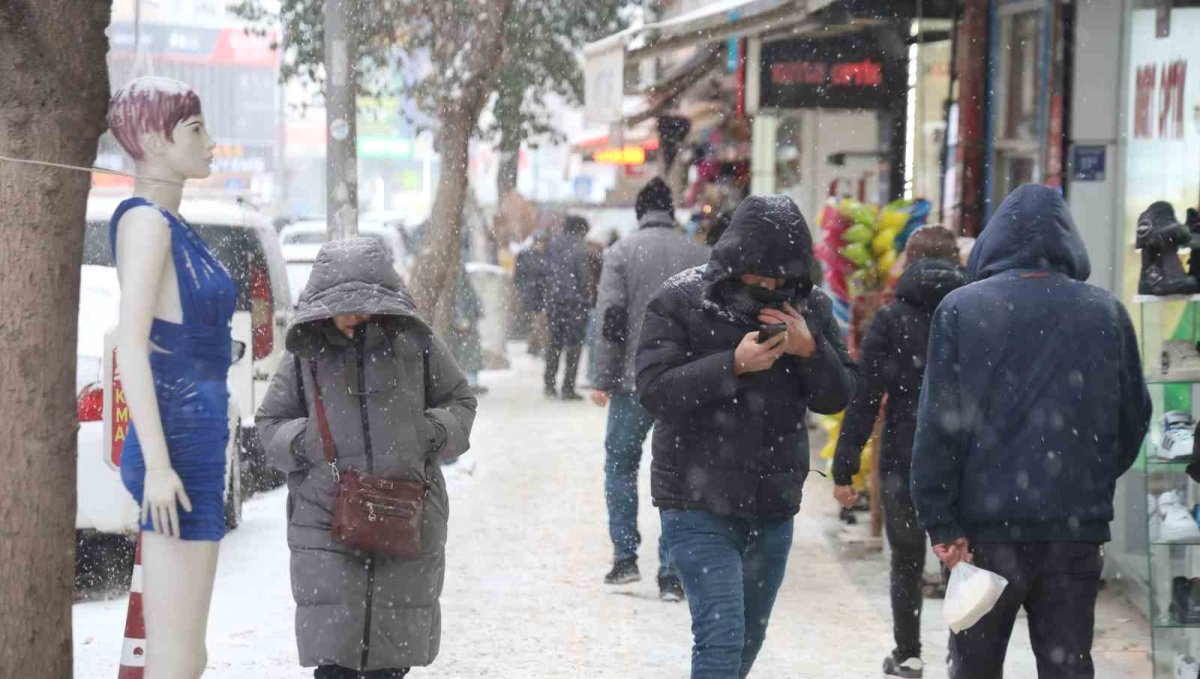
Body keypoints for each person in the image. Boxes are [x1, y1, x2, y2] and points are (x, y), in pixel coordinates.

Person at [911, 184, 1151, 679]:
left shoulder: (961, 309)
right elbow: (1134, 417)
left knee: (974, 667)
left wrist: (942, 519)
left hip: (982, 536)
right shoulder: (1105, 312)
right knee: (1067, 666)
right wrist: (1088, 478)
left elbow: (937, 423)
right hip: (1074, 532)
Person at [636, 195, 855, 678]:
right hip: (695, 499)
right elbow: (653, 390)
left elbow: (838, 396)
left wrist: (810, 350)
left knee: (746, 645)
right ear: (735, 262)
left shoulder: (810, 307)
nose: (771, 289)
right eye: (760, 279)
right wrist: (731, 364)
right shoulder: (681, 299)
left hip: (773, 504)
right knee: (721, 637)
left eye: (782, 281)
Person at [256, 237, 477, 678]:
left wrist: (426, 435)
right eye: (342, 307)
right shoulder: (306, 353)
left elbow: (460, 402)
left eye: (362, 305)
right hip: (325, 516)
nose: (352, 316)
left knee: (390, 657)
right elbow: (269, 425)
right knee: (335, 652)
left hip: (405, 508)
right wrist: (308, 442)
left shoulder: (416, 343)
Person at [108, 75, 233, 677]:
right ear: (154, 141)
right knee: (176, 652)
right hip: (175, 448)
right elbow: (130, 345)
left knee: (188, 649)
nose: (211, 143)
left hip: (195, 446)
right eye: (195, 130)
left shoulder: (172, 224)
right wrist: (157, 464)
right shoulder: (147, 224)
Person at [831, 226, 965, 679]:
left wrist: (844, 466)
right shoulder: (974, 312)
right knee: (959, 556)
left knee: (906, 558)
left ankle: (908, 654)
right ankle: (961, 653)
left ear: (908, 262)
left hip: (904, 451)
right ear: (956, 261)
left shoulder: (890, 320)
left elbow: (865, 397)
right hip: (963, 453)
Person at [591, 177, 709, 598]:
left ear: (640, 212)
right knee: (678, 474)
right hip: (684, 382)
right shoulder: (699, 254)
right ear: (671, 210)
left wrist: (602, 377)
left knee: (621, 466)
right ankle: (672, 573)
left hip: (632, 381)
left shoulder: (621, 252)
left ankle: (625, 559)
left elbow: (610, 319)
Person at [544, 214, 593, 400]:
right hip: (575, 303)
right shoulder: (580, 248)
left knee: (554, 343)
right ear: (581, 229)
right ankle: (567, 387)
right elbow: (583, 277)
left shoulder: (553, 245)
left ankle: (549, 384)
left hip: (555, 302)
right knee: (574, 346)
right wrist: (585, 298)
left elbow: (547, 273)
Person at [514, 231, 551, 356]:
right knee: (537, 322)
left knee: (539, 322)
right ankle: (537, 346)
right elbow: (519, 276)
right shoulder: (526, 256)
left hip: (542, 295)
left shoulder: (547, 256)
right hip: (531, 294)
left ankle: (534, 345)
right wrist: (524, 289)